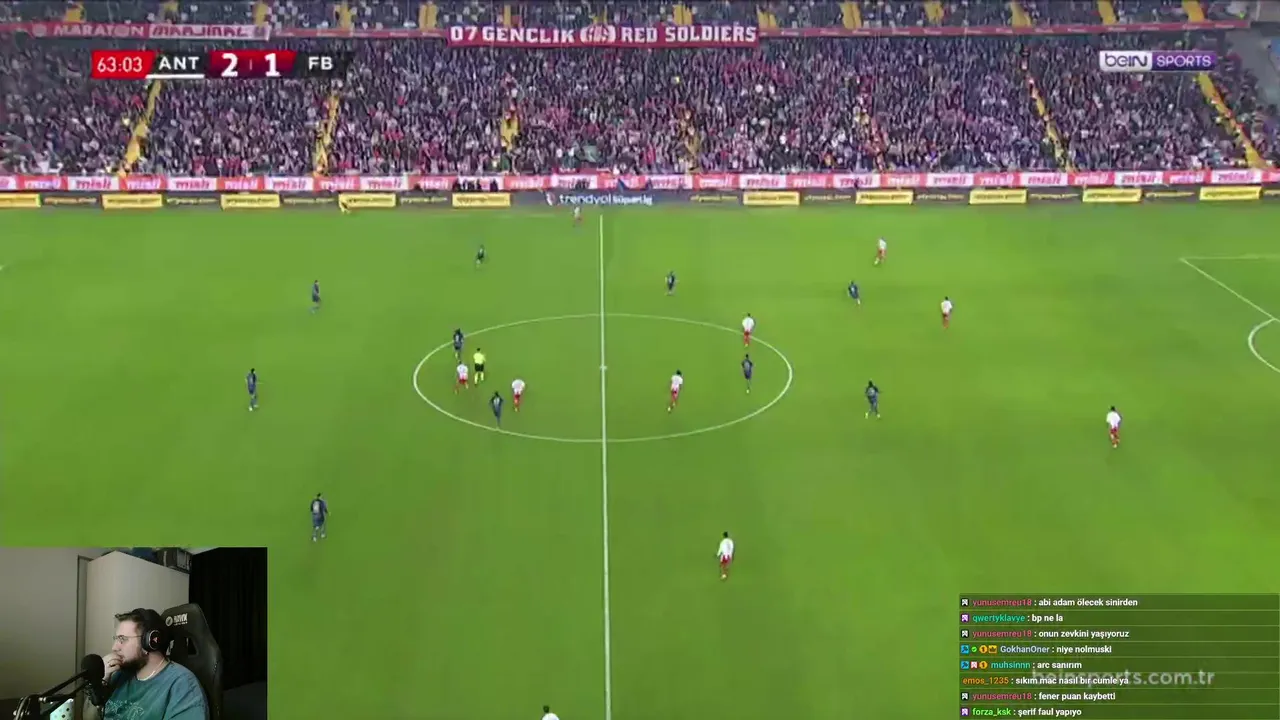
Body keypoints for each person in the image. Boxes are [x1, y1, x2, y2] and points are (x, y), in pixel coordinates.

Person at [87, 609, 208, 720]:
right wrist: (98, 685)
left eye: (122, 639)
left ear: (149, 641)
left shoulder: (182, 685)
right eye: (116, 639)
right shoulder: (119, 674)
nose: (114, 647)